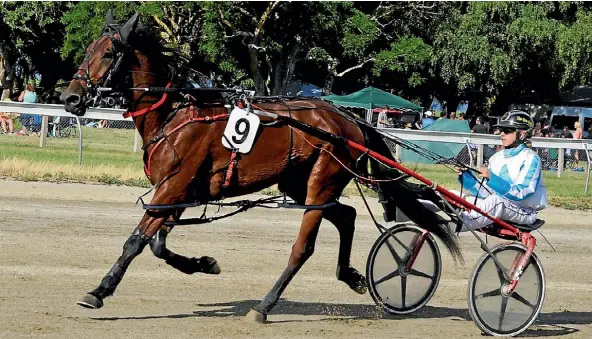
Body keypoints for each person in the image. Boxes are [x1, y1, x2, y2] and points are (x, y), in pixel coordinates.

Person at [454, 110, 547, 231]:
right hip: (498, 206)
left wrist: (492, 178)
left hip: (523, 211)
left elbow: (521, 193)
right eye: (501, 130)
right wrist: (467, 178)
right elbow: (486, 193)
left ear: (522, 134)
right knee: (455, 195)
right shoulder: (496, 157)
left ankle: (456, 226)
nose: (501, 134)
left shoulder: (531, 158)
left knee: (496, 201)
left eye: (507, 131)